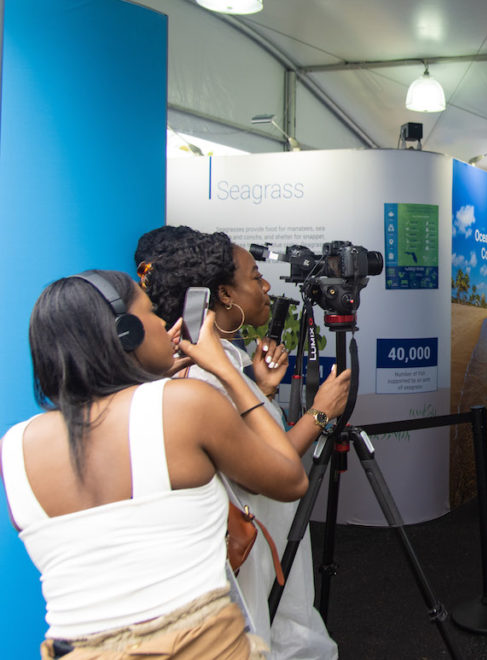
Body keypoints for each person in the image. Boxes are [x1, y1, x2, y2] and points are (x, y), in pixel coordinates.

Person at [1, 270, 309, 658]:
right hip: (200, 646)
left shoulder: (13, 447)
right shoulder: (183, 404)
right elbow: (290, 479)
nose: (167, 325)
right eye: (151, 313)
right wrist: (227, 372)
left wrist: (141, 379)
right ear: (126, 331)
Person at [135, 226, 349, 660]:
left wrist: (262, 390)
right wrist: (320, 414)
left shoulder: (229, 361)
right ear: (225, 295)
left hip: (267, 543)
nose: (266, 285)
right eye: (255, 277)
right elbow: (271, 473)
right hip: (249, 552)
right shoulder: (206, 375)